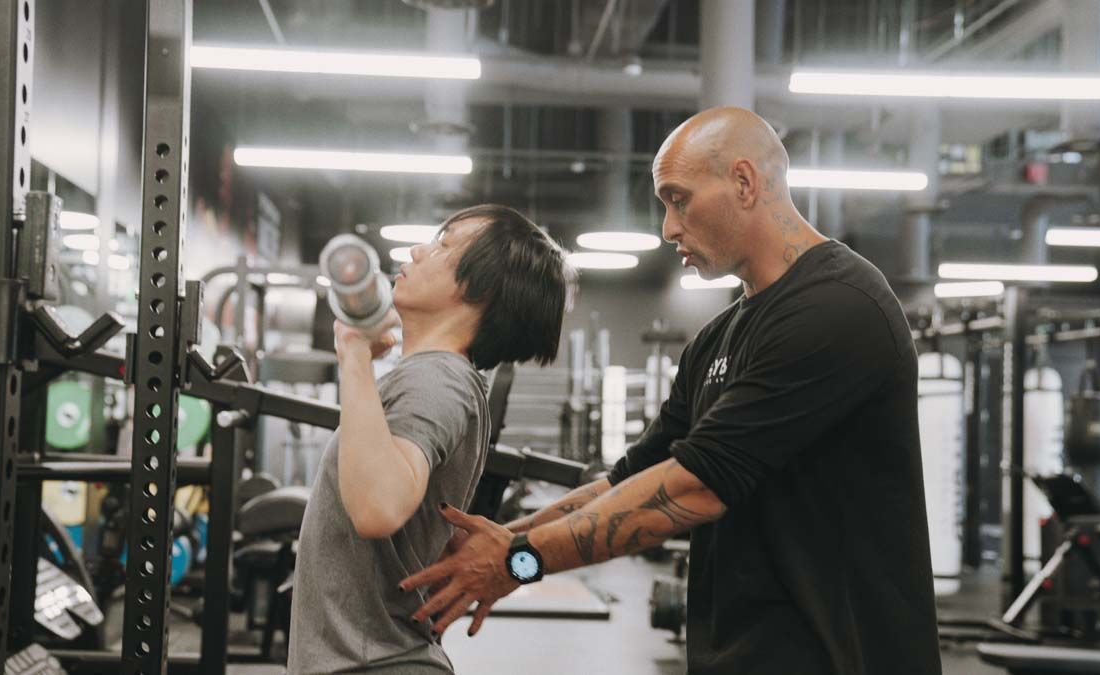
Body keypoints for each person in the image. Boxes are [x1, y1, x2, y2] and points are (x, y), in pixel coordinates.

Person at [400, 107, 942, 675]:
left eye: (678, 199)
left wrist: (516, 563)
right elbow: (628, 482)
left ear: (743, 182)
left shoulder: (839, 306)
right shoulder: (716, 339)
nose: (668, 227)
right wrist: (496, 542)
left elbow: (697, 488)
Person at [286, 204, 571, 674]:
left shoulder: (438, 378)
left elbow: (377, 507)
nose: (418, 251)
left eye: (443, 245)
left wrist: (354, 354)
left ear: (481, 288)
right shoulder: (436, 378)